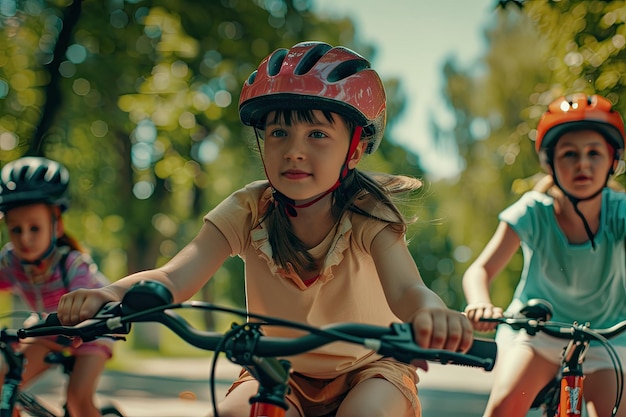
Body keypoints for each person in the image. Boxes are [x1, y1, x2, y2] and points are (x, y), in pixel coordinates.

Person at [56, 41, 474, 417]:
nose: (294, 150)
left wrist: (430, 313)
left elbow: (406, 291)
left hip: (369, 370)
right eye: (278, 132)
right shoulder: (249, 209)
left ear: (356, 149)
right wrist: (110, 294)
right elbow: (174, 276)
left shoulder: (367, 213)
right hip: (274, 369)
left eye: (317, 134)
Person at [462, 93, 626, 417]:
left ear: (613, 162)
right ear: (550, 163)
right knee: (503, 409)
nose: (582, 163)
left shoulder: (620, 212)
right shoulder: (533, 212)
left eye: (594, 153)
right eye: (569, 154)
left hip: (607, 337)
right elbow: (479, 270)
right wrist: (479, 301)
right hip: (537, 333)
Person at [0, 156, 113, 417]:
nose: (25, 238)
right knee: (6, 385)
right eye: (16, 230)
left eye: (35, 228)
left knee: (78, 400)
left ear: (57, 225)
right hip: (48, 329)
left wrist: (85, 321)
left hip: (93, 330)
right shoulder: (11, 262)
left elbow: (86, 305)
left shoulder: (73, 265)